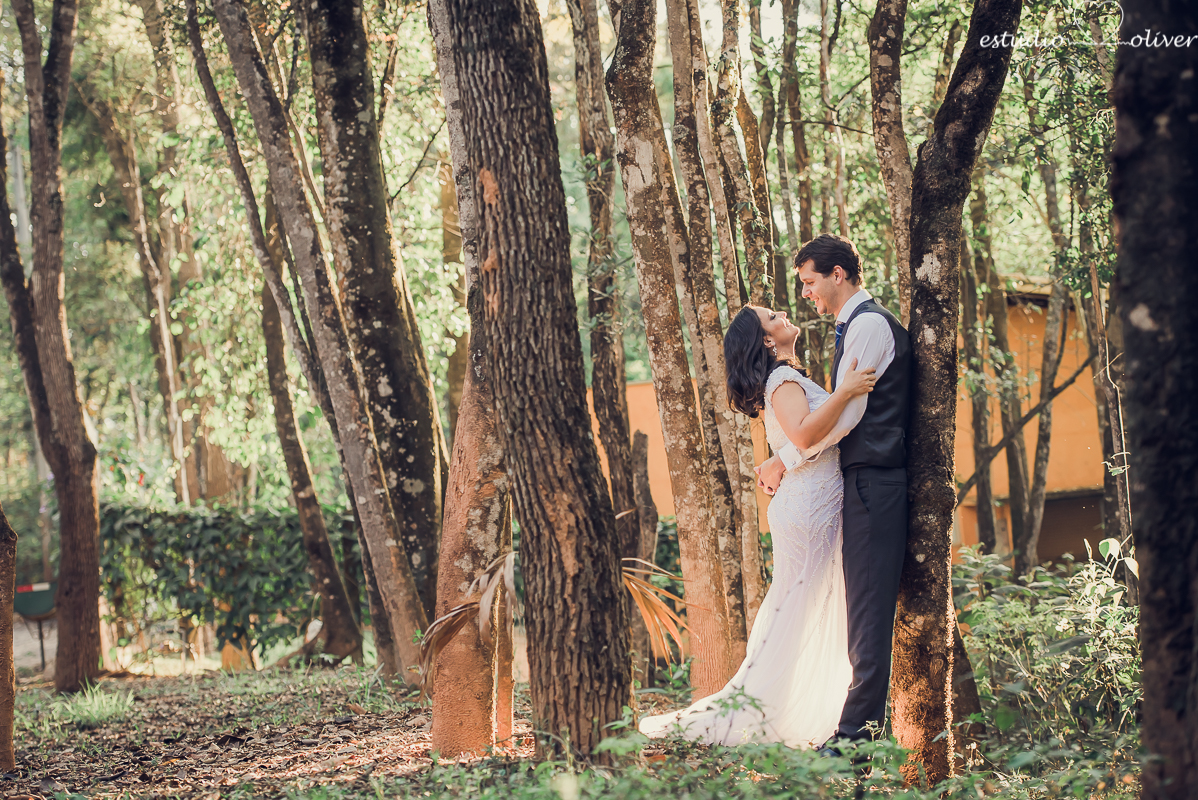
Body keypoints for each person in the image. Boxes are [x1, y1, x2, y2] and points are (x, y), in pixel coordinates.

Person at [638, 301, 877, 747]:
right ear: (767, 340)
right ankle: (770, 712)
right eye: (772, 318)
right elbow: (806, 434)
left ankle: (809, 706)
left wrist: (781, 460)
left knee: (812, 604)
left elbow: (809, 439)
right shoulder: (783, 379)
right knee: (803, 604)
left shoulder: (785, 377)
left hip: (813, 497)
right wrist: (845, 391)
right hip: (808, 505)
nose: (783, 315)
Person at [756, 233, 912, 752]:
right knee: (859, 611)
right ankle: (853, 734)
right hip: (864, 480)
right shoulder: (855, 326)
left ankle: (853, 745)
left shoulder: (867, 325)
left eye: (808, 281)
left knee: (867, 616)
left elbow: (847, 416)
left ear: (837, 275)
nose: (805, 294)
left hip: (875, 479)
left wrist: (785, 457)